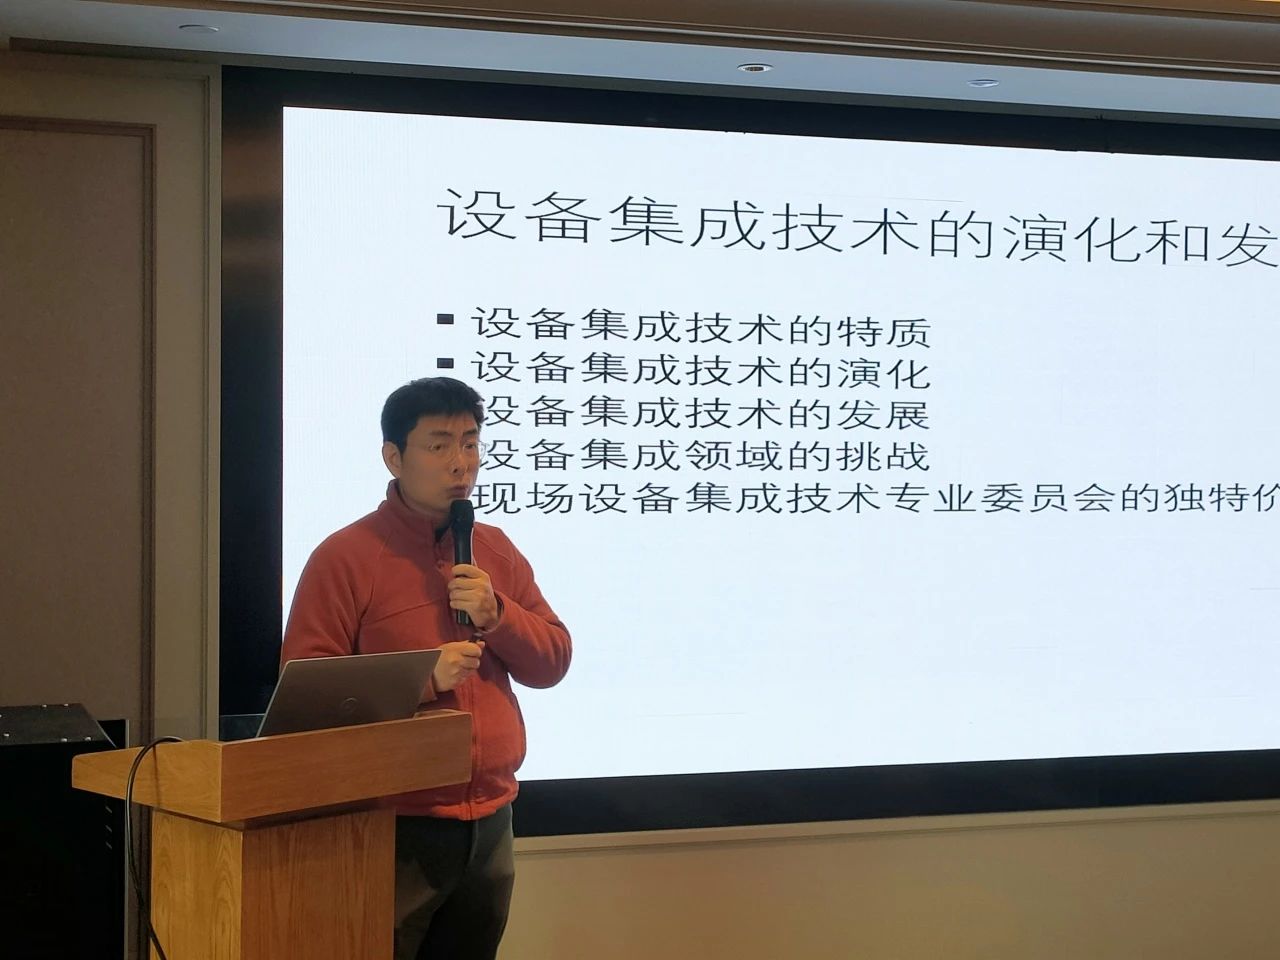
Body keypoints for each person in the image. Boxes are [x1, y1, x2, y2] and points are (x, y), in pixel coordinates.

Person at [281, 376, 572, 960]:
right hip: (393, 824)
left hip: (490, 819)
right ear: (393, 458)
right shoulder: (345, 557)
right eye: (439, 445)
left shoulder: (496, 550)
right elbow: (307, 696)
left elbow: (552, 662)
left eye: (470, 442)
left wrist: (498, 615)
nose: (461, 463)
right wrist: (422, 680)